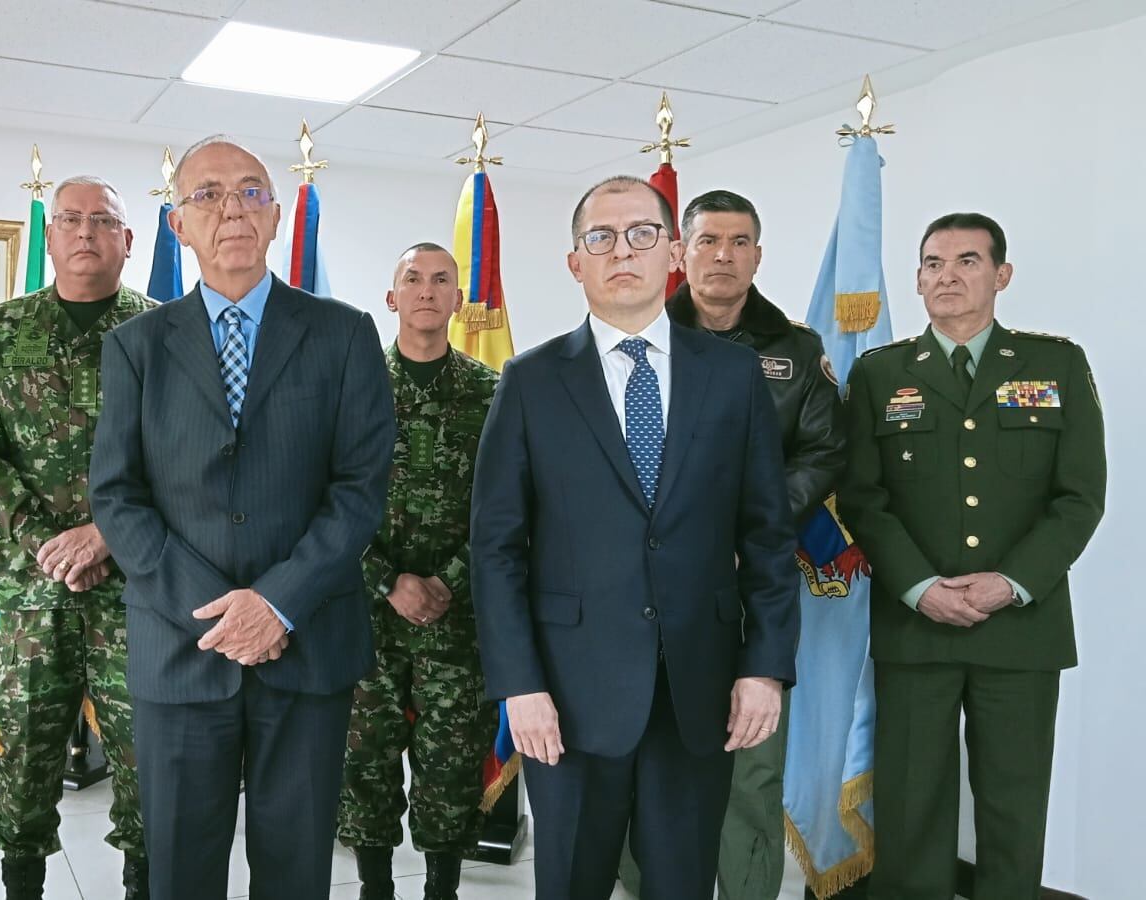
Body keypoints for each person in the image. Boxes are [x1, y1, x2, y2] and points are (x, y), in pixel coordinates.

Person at [470, 175, 799, 900]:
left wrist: (766, 666)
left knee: (682, 883)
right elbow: (495, 549)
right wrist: (518, 685)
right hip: (567, 696)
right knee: (573, 883)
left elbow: (768, 536)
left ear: (673, 252)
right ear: (575, 262)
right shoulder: (529, 382)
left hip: (701, 689)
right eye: (601, 237)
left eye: (643, 234)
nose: (623, 250)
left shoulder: (735, 375)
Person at [89, 135, 396, 900]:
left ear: (277, 215)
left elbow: (359, 489)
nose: (232, 208)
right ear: (177, 225)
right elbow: (118, 496)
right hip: (180, 649)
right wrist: (222, 613)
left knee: (295, 871)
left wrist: (277, 602)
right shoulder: (135, 347)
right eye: (209, 195)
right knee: (182, 871)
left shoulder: (343, 333)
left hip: (308, 645)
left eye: (251, 192)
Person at [839, 212, 1105, 900]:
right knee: (909, 804)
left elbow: (1079, 497)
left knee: (1014, 806)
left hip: (1021, 627)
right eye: (931, 263)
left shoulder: (1056, 365)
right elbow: (863, 498)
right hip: (914, 624)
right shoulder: (879, 372)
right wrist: (920, 585)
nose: (946, 276)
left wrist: (1011, 582)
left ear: (1001, 275)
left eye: (966, 261)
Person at [621, 189, 845, 900]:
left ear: (757, 254)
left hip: (750, 587)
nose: (723, 255)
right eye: (708, 240)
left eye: (739, 241)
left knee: (751, 759)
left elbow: (824, 450)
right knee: (644, 747)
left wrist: (752, 521)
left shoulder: (797, 351)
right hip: (645, 590)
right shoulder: (635, 335)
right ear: (680, 251)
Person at [0, 175, 154, 899]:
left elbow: (192, 459)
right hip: (34, 593)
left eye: (104, 220)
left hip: (137, 593)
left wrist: (106, 536)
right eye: (70, 219)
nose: (86, 232)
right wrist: (45, 540)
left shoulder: (163, 334)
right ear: (50, 236)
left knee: (147, 770)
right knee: (27, 769)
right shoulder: (2, 332)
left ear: (129, 241)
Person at [337, 243, 499, 900]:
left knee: (452, 766)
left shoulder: (493, 393)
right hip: (366, 614)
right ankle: (376, 889)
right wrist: (389, 580)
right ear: (391, 297)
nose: (427, 290)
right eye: (413, 279)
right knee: (364, 764)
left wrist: (448, 580)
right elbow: (327, 501)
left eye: (441, 280)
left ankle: (441, 891)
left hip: (458, 620)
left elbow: (509, 505)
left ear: (459, 299)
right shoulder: (350, 390)